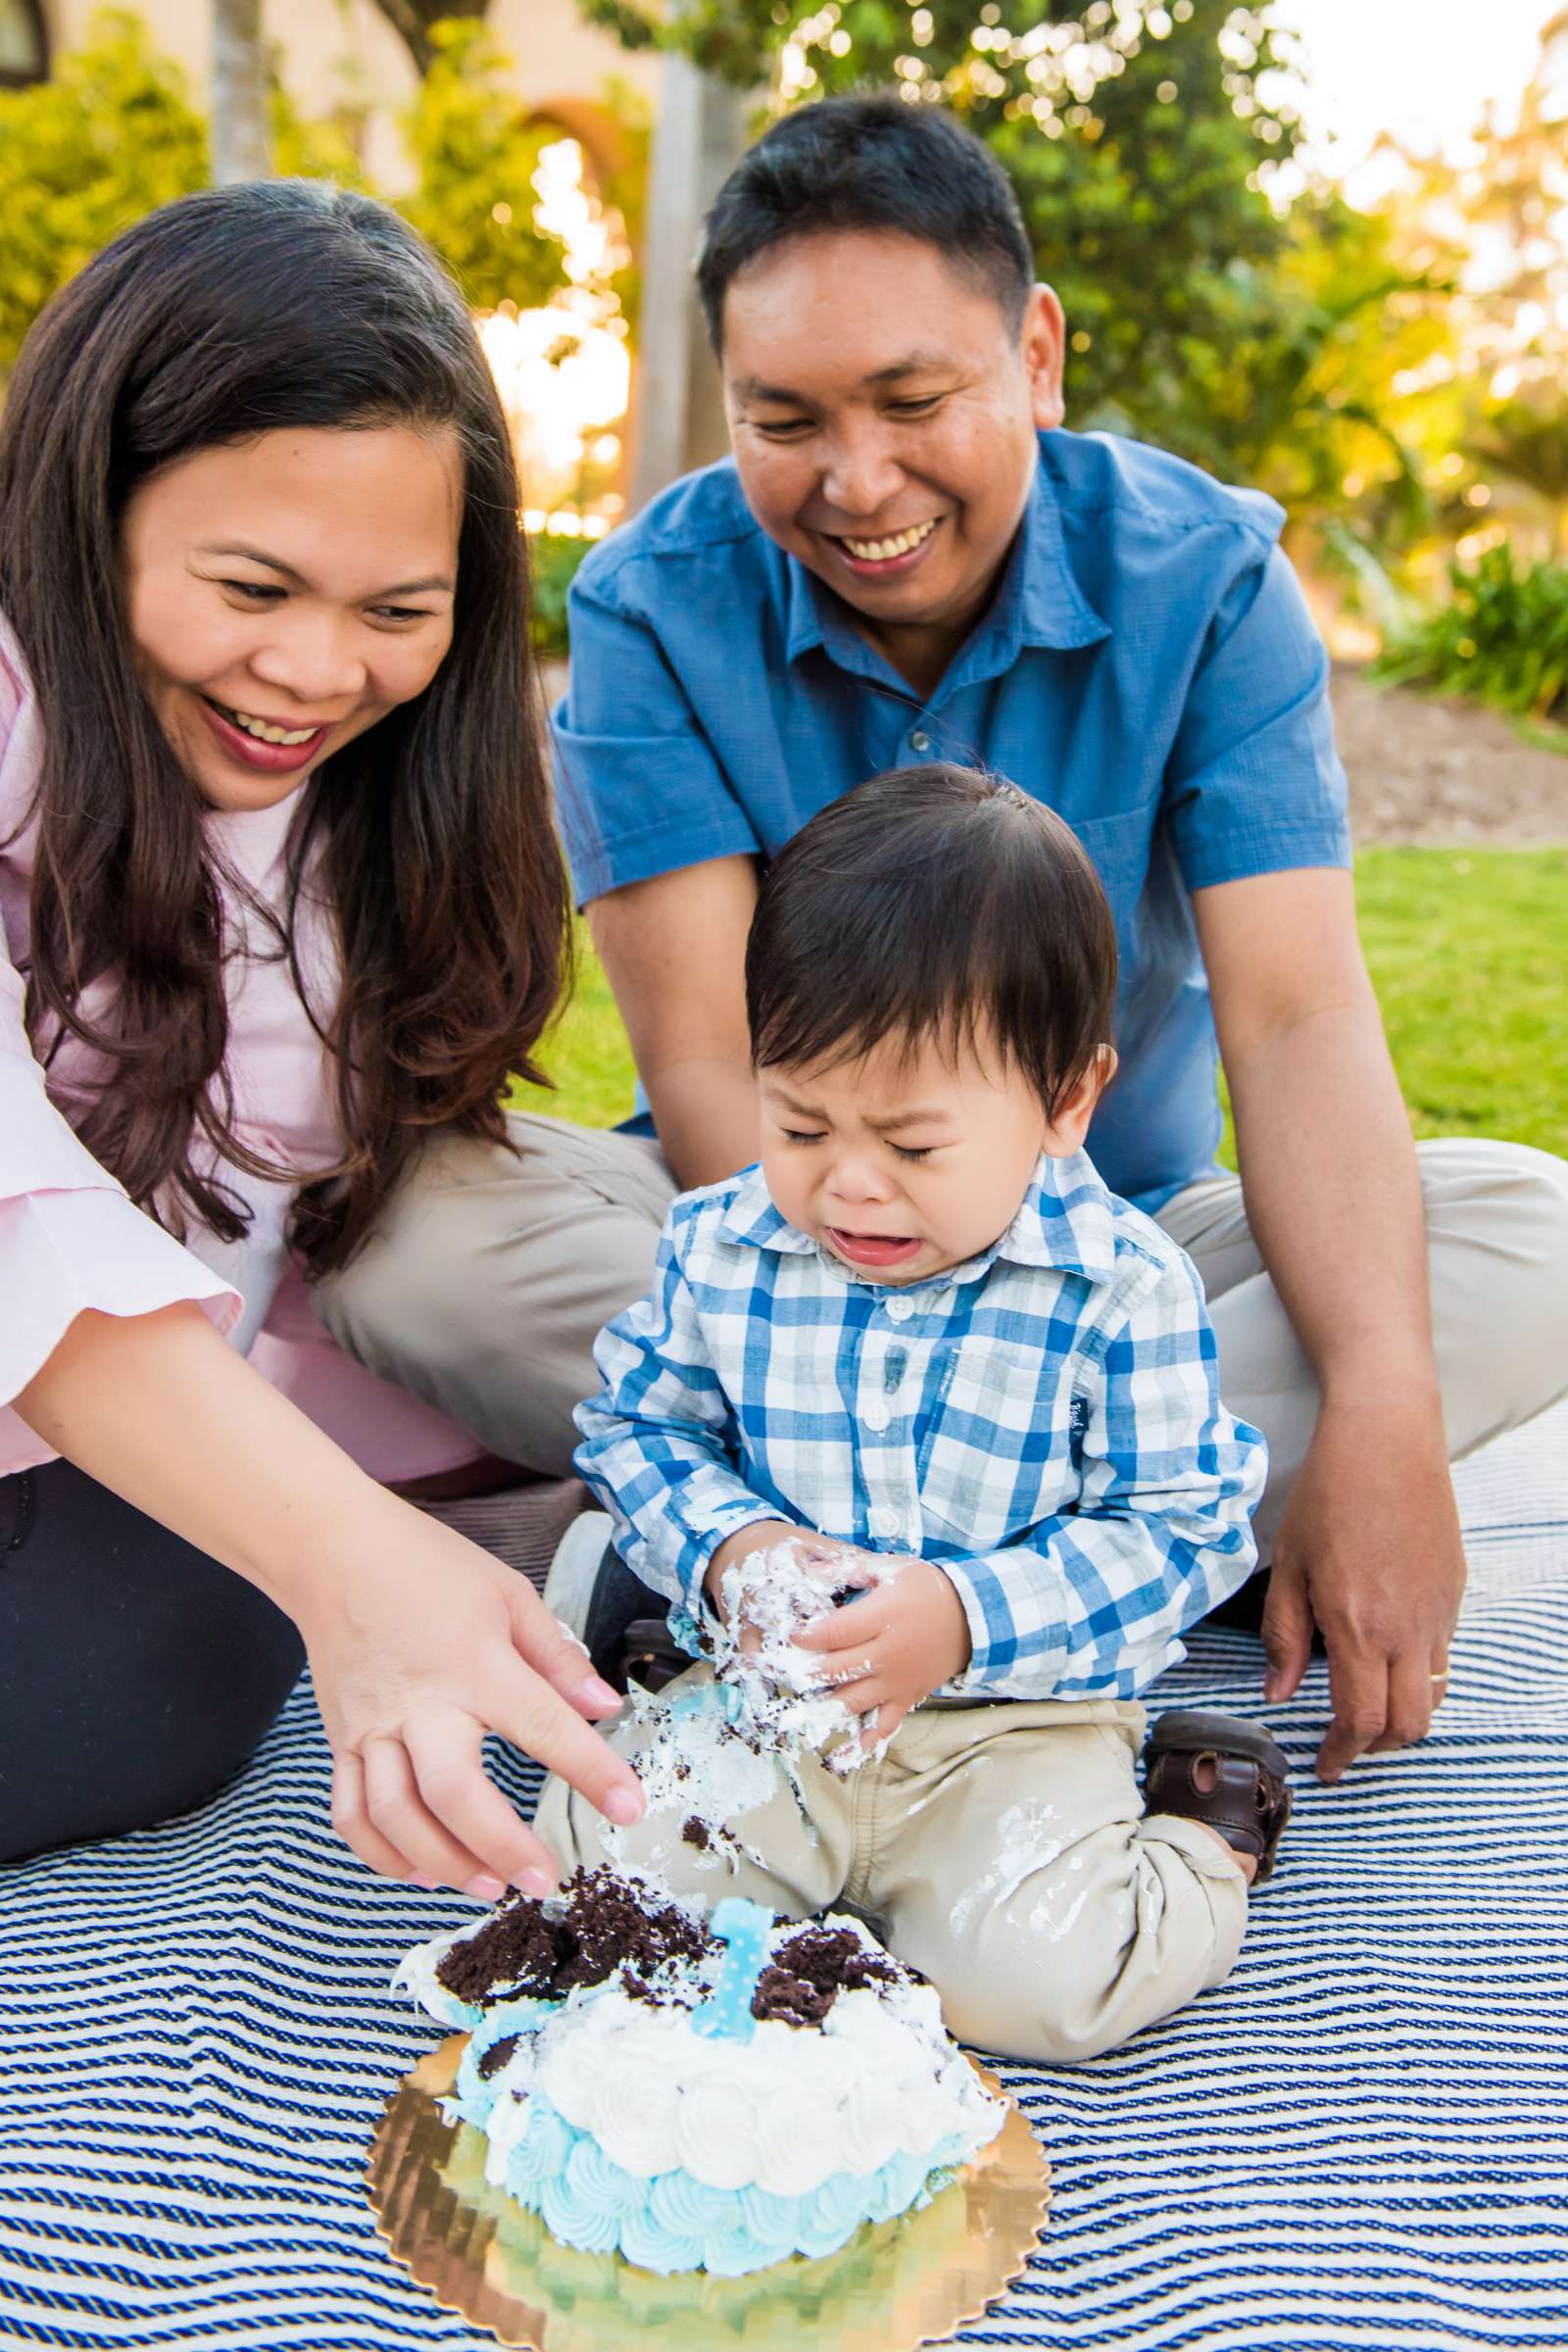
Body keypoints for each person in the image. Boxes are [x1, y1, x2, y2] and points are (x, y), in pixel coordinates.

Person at [536, 93, 1568, 1782]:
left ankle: (749, 1566)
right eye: (781, 420)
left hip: (1118, 1253)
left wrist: (1389, 1416)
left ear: (1035, 351)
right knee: (425, 1234)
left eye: (913, 400)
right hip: (762, 1248)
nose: (854, 482)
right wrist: (854, 1324)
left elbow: (1296, 1021)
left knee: (1529, 1237)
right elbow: (715, 1066)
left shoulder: (1210, 581)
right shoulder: (650, 608)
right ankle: (1081, 1551)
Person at [0, 182, 652, 1882]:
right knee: (163, 1655)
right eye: (252, 585)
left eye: (395, 611)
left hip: (232, 1395)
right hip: (113, 1411)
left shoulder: (370, 812)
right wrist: (343, 1559)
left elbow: (295, 1214)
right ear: (90, 511)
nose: (311, 675)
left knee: (180, 1633)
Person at [537, 767, 1291, 2063]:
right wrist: (731, 1552)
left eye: (915, 1145)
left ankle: (1200, 1827)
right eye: (801, 1120)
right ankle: (662, 1654)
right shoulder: (724, 1244)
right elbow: (638, 1432)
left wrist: (962, 1619)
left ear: (1068, 1100)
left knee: (1046, 1995)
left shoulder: (1122, 1289)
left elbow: (1181, 1537)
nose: (850, 1186)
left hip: (1016, 1718)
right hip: (776, 1699)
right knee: (597, 1898)